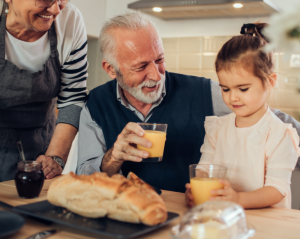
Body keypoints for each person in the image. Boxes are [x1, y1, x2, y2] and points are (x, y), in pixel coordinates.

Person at [77, 14, 300, 193]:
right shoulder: (96, 105)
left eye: (159, 60)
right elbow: (83, 179)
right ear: (110, 69)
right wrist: (113, 157)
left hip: (194, 214)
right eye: (141, 66)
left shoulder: (206, 92)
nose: (156, 75)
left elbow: (270, 119)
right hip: (133, 213)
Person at [185, 23, 300, 208]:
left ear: (270, 82)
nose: (232, 97)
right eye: (225, 88)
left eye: (243, 88)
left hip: (268, 226)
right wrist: (197, 191)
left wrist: (238, 199)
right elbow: (204, 170)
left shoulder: (279, 134)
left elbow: (277, 189)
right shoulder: (217, 128)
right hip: (224, 219)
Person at [0, 0, 88, 182]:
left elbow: (73, 97)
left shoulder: (69, 20)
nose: (56, 9)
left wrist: (56, 158)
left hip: (43, 147)